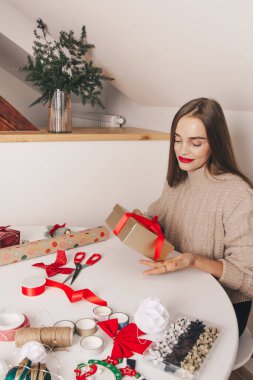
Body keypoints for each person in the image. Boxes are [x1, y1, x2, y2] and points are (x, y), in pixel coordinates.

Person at [139, 97, 253, 336]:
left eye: (196, 143)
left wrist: (194, 260)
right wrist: (138, 222)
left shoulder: (238, 194)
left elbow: (249, 279)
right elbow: (159, 217)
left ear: (215, 143)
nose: (182, 151)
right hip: (183, 289)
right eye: (177, 140)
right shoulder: (179, 180)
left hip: (225, 307)